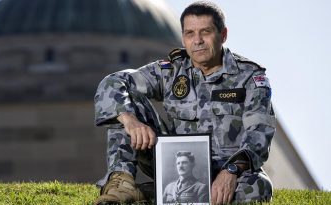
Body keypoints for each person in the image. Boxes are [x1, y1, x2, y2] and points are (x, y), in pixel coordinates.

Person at [93, 1, 276, 204]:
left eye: (205, 32)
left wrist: (231, 171)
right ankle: (122, 184)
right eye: (190, 33)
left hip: (229, 170)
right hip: (174, 165)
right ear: (183, 38)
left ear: (223, 35)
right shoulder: (172, 70)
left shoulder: (250, 77)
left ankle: (150, 197)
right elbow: (114, 82)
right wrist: (130, 121)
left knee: (258, 187)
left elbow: (259, 134)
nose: (197, 41)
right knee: (124, 105)